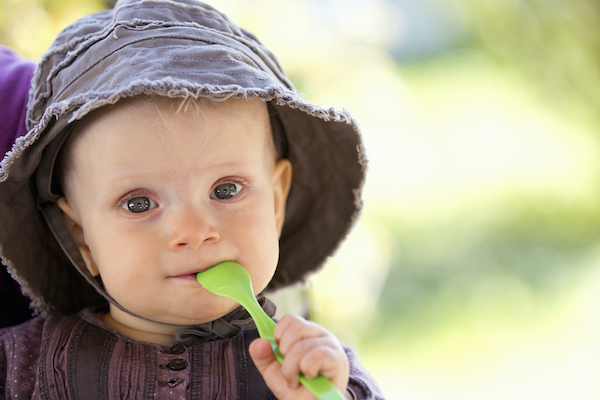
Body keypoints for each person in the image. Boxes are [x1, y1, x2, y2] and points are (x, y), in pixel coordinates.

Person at [0, 0, 383, 399]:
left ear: (274, 202)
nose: (193, 232)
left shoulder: (311, 368)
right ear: (81, 235)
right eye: (139, 204)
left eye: (226, 190)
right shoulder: (19, 367)